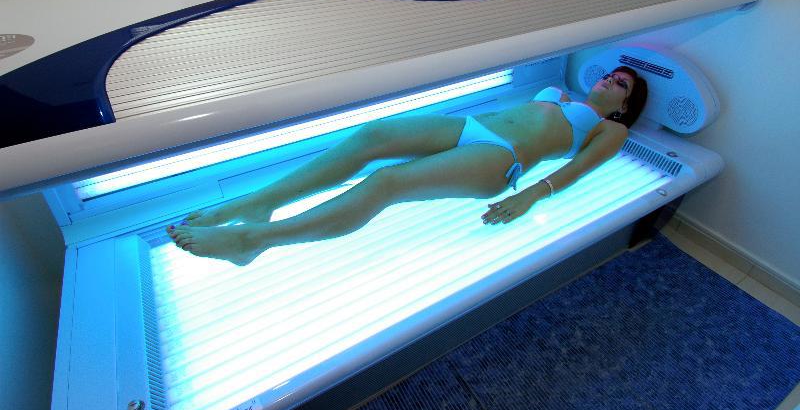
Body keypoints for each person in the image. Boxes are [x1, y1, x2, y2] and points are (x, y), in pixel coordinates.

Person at [167, 66, 648, 266]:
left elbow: (577, 170)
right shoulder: (559, 90)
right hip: (472, 127)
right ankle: (258, 204)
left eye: (621, 85)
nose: (611, 80)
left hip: (502, 159)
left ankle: (254, 240)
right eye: (612, 74)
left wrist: (529, 196)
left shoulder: (611, 130)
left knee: (387, 182)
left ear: (623, 107)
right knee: (373, 135)